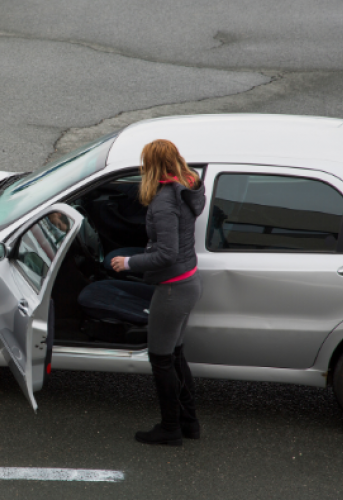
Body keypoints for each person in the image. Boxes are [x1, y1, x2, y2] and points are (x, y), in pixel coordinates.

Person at [110, 139, 206, 446]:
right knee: (175, 356)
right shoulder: (186, 189)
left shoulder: (165, 201)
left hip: (172, 290)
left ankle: (169, 429)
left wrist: (128, 263)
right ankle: (189, 423)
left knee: (161, 358)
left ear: (151, 165)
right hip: (187, 282)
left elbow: (166, 253)